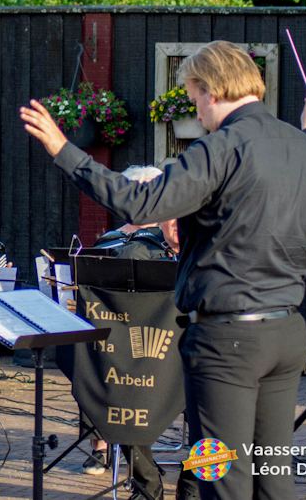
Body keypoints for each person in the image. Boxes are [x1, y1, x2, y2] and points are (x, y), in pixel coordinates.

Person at [20, 40, 306, 500]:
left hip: (227, 342)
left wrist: (63, 149)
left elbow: (139, 202)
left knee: (222, 477)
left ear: (212, 90)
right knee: (272, 476)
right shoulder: (300, 144)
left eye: (193, 99)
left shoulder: (221, 146)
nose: (197, 112)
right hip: (286, 335)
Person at [80, 165, 180, 499]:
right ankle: (146, 482)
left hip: (184, 346)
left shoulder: (183, 241)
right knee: (118, 395)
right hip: (132, 347)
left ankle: (195, 484)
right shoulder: (113, 241)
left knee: (211, 416)